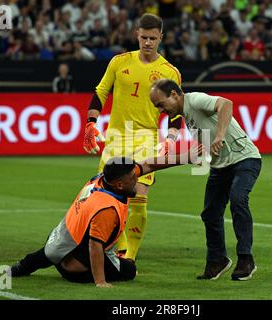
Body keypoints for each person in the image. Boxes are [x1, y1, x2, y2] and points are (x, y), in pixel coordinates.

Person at [9, 148, 202, 288]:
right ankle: (87, 273)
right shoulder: (106, 208)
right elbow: (95, 246)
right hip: (75, 268)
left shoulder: (102, 179)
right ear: (119, 185)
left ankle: (18, 268)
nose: (138, 180)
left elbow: (150, 164)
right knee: (130, 271)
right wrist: (100, 282)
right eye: (133, 179)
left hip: (59, 242)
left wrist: (188, 157)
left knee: (45, 255)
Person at [83, 13, 183, 262]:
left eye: (152, 38)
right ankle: (118, 248)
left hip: (147, 137)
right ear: (136, 35)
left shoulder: (169, 71)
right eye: (143, 37)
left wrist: (170, 138)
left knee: (138, 194)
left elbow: (176, 111)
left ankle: (130, 256)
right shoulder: (119, 62)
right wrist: (91, 123)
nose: (147, 42)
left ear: (161, 37)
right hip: (116, 136)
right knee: (109, 195)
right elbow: (101, 92)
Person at [149, 79, 262, 281]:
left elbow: (226, 104)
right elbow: (200, 148)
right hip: (220, 167)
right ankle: (217, 260)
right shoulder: (185, 114)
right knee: (210, 213)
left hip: (245, 159)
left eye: (160, 104)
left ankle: (246, 259)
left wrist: (219, 136)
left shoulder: (195, 100)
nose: (160, 110)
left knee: (238, 199)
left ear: (174, 94)